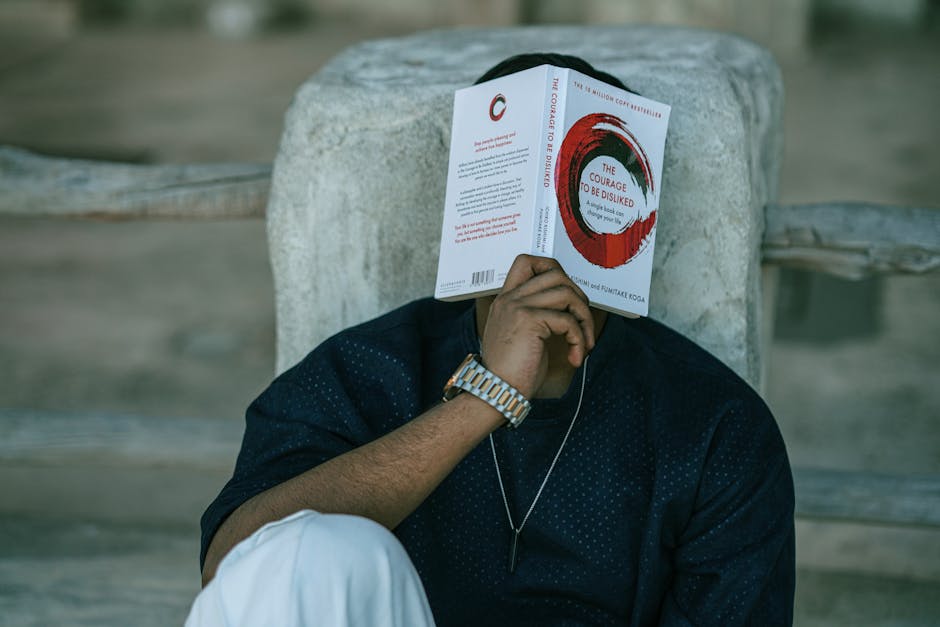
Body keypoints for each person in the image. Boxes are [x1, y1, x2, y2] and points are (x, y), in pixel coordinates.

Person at [187, 54, 794, 626]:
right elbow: (238, 572)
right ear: (465, 206)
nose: (544, 226)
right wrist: (485, 399)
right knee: (319, 547)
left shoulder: (716, 425)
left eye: (582, 180)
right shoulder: (364, 370)